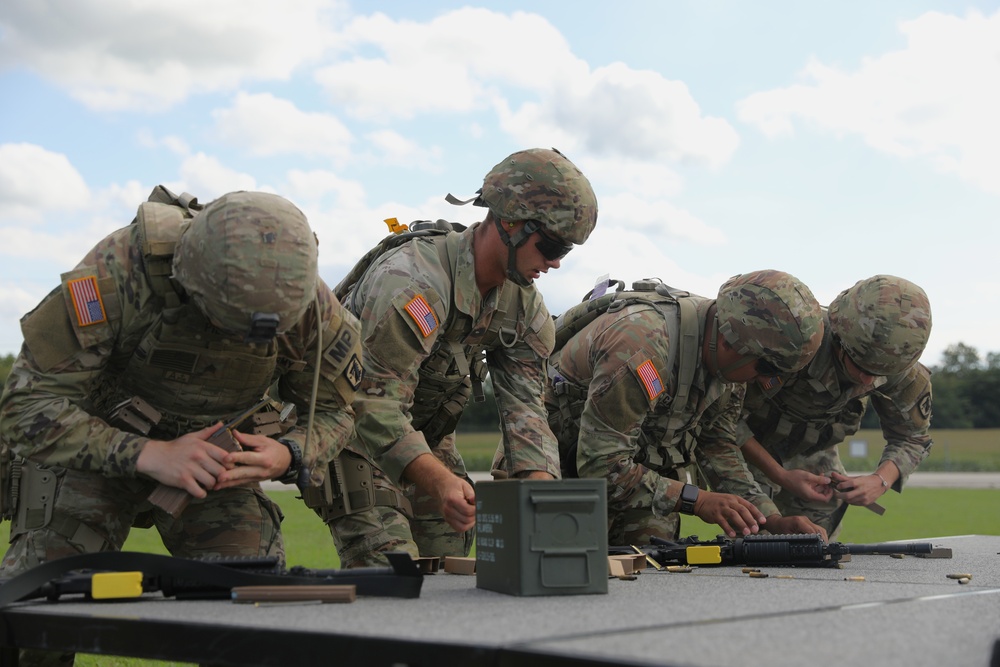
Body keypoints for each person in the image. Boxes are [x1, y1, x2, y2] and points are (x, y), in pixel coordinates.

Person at [0, 188, 361, 584]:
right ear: (189, 280)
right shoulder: (120, 272)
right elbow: (26, 406)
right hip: (94, 448)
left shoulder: (311, 307)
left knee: (252, 598)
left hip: (215, 469)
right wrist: (149, 453)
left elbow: (335, 410)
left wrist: (290, 452)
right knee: (41, 597)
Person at [306, 147, 598, 568]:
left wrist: (540, 487)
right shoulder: (413, 285)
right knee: (391, 569)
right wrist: (439, 480)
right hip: (347, 432)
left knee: (450, 562)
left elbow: (526, 410)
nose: (554, 262)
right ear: (509, 221)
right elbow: (371, 402)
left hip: (422, 434)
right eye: (550, 244)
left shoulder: (525, 309)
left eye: (565, 251)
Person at [545, 270, 830, 546]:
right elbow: (601, 464)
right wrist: (698, 499)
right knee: (562, 573)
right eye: (768, 367)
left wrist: (770, 520)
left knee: (655, 555)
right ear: (728, 340)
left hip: (635, 479)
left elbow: (717, 443)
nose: (767, 381)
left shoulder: (731, 368)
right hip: (557, 472)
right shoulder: (643, 345)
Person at [737, 275, 933, 539]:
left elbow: (913, 437)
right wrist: (780, 475)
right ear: (841, 341)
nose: (868, 380)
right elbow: (726, 420)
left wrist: (880, 480)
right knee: (756, 542)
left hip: (812, 453)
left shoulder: (896, 362)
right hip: (747, 447)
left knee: (816, 547)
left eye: (880, 373)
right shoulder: (794, 340)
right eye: (862, 368)